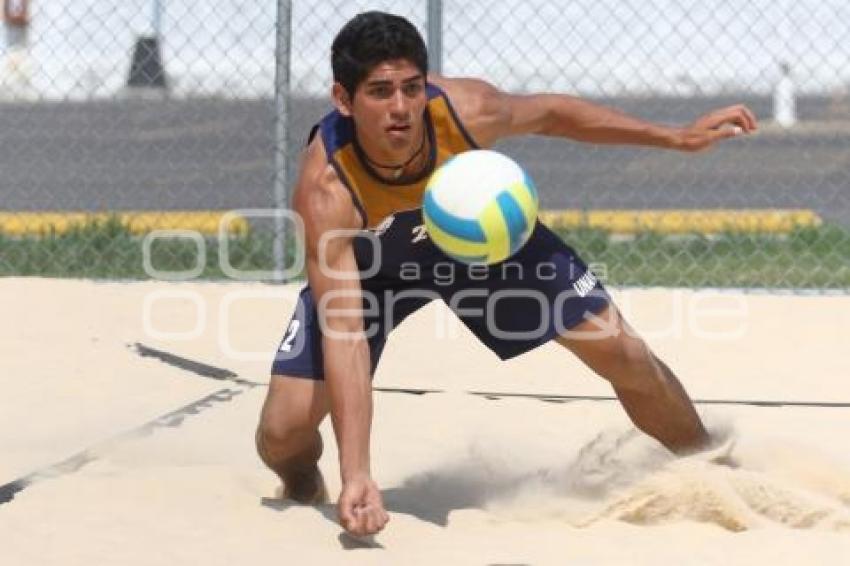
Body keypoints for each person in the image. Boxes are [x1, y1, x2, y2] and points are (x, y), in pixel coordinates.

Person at [255, 11, 758, 537]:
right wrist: (356, 471)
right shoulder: (327, 190)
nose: (400, 108)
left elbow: (554, 114)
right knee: (283, 431)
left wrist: (674, 137)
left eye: (410, 88)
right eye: (380, 92)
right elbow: (346, 335)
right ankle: (305, 485)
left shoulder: (466, 110)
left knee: (624, 353)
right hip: (376, 272)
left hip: (479, 243)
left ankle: (714, 469)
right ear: (344, 99)